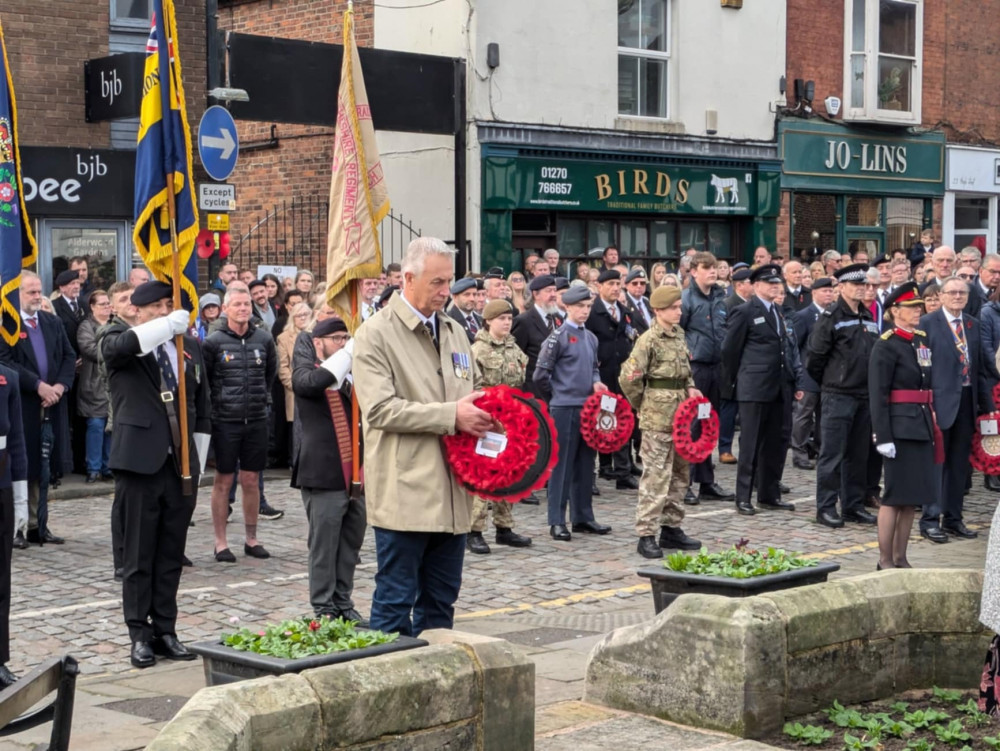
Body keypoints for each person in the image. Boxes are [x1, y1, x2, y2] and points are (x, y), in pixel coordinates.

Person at [353, 237, 491, 637]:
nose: (446, 291)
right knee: (395, 602)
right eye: (437, 283)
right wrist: (453, 415)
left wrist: (490, 413)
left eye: (448, 282)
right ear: (407, 279)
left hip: (453, 491)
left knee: (441, 603)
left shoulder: (454, 330)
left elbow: (471, 389)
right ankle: (389, 688)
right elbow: (379, 410)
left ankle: (437, 686)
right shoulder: (376, 334)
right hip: (406, 491)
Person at [101, 280, 211, 668]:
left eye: (171, 305)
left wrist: (195, 466)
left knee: (169, 554)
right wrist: (166, 327)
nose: (167, 311)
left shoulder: (190, 347)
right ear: (139, 309)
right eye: (160, 306)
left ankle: (166, 629)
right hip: (139, 461)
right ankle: (138, 633)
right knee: (138, 554)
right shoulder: (120, 337)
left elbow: (202, 407)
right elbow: (120, 349)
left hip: (179, 466)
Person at [291, 316, 367, 624]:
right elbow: (312, 384)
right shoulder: (310, 373)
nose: (342, 342)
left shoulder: (353, 375)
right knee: (324, 546)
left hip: (356, 474)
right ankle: (323, 606)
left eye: (346, 337)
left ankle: (343, 601)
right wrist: (348, 352)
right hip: (323, 473)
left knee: (350, 543)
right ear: (318, 342)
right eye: (336, 338)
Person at [620, 285, 702, 559]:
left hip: (681, 416)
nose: (679, 311)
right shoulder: (648, 340)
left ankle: (671, 526)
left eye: (679, 306)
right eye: (673, 308)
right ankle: (646, 533)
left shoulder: (678, 335)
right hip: (657, 417)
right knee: (656, 476)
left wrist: (690, 387)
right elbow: (629, 378)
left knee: (680, 474)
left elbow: (684, 370)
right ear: (658, 311)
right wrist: (642, 404)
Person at [0, 271, 75, 547]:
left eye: (39, 291)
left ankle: (39, 524)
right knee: (24, 464)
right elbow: (5, 361)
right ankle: (19, 526)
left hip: (52, 404)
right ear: (16, 293)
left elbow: (69, 356)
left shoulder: (51, 322)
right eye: (30, 291)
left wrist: (59, 387)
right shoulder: (7, 326)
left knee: (45, 467)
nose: (37, 296)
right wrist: (38, 385)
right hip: (24, 405)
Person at [203, 287, 278, 562]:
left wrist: (261, 401)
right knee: (223, 480)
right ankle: (220, 542)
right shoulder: (213, 342)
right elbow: (208, 382)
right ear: (225, 308)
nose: (243, 308)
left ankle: (251, 538)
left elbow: (269, 375)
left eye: (246, 304)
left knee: (251, 480)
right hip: (225, 421)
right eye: (237, 304)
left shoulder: (264, 338)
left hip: (256, 419)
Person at [721, 264, 801, 516]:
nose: (775, 287)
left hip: (779, 386)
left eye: (777, 283)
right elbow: (729, 350)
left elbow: (785, 349)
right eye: (769, 283)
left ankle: (769, 493)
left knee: (777, 443)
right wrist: (737, 381)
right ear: (755, 286)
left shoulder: (779, 312)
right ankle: (743, 496)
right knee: (751, 444)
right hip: (754, 387)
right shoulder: (744, 311)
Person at [919, 275, 993, 543]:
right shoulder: (927, 324)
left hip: (967, 401)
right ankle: (930, 520)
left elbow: (981, 369)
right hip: (939, 403)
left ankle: (953, 518)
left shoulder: (972, 324)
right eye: (952, 293)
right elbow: (922, 370)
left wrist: (989, 407)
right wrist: (926, 404)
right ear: (941, 296)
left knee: (959, 466)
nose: (958, 297)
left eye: (962, 293)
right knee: (937, 463)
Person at [534, 285, 612, 541]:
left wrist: (596, 381)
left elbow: (593, 368)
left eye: (588, 307)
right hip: (564, 408)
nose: (585, 311)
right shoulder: (558, 336)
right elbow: (541, 375)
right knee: (562, 466)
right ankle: (557, 520)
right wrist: (557, 396)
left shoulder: (590, 338)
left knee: (585, 464)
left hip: (587, 408)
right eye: (580, 307)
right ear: (567, 307)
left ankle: (583, 516)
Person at [806, 264, 880, 528]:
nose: (862, 288)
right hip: (837, 394)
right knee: (832, 454)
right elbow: (815, 357)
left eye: (864, 285)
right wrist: (831, 381)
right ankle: (825, 507)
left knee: (858, 455)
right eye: (856, 285)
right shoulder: (831, 315)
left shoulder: (867, 315)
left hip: (863, 394)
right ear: (842, 287)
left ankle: (853, 505)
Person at [868, 282, 934, 570]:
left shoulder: (919, 340)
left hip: (919, 423)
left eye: (918, 306)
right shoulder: (886, 344)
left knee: (911, 497)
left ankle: (901, 557)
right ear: (895, 311)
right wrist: (883, 435)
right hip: (897, 427)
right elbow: (878, 393)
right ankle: (884, 559)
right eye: (911, 307)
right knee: (894, 495)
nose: (918, 311)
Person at [466, 300, 532, 555]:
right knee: (484, 476)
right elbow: (473, 386)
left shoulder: (513, 348)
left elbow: (521, 382)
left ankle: (504, 527)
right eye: (501, 318)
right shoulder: (477, 350)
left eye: (509, 318)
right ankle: (474, 530)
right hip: (488, 419)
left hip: (513, 418)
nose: (507, 322)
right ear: (488, 321)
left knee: (510, 473)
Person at [680, 252, 733, 504]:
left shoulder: (720, 297)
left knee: (708, 424)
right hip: (696, 367)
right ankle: (685, 482)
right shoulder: (687, 299)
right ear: (693, 271)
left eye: (714, 267)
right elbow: (678, 333)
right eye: (706, 268)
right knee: (691, 426)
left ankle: (706, 481)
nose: (712, 271)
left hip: (716, 365)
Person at [587, 269, 639, 490]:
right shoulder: (592, 312)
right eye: (610, 284)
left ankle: (623, 471)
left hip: (623, 377)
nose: (615, 288)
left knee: (624, 422)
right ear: (599, 286)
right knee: (601, 424)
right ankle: (603, 467)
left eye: (618, 284)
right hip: (602, 377)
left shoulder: (625, 311)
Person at [103, 281, 137, 581]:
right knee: (124, 497)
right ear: (113, 306)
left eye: (133, 297)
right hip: (122, 422)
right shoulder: (112, 333)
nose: (130, 303)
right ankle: (122, 556)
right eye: (123, 299)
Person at [790, 277, 836, 469]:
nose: (828, 294)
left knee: (824, 416)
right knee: (804, 415)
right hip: (808, 374)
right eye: (824, 291)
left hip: (827, 374)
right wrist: (799, 372)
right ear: (814, 293)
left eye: (830, 291)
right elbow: (796, 345)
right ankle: (799, 452)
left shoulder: (834, 313)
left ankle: (820, 449)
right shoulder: (803, 315)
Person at [0, 363, 27, 688]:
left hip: (2, 486)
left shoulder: (8, 378)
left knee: (1, 582)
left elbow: (17, 438)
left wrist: (20, 494)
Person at [76, 289, 113, 483]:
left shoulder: (116, 323)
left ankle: (108, 466)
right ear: (92, 307)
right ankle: (93, 467)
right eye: (102, 304)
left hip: (114, 383)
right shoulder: (86, 326)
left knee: (111, 426)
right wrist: (114, 349)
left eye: (108, 303)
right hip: (93, 384)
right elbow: (89, 349)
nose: (107, 307)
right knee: (96, 425)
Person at [718, 267, 753, 465]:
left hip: (747, 364)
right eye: (750, 282)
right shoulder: (729, 304)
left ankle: (744, 446)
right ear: (739, 285)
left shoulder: (752, 304)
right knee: (729, 407)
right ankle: (724, 448)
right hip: (730, 364)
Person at [512, 275, 560, 400]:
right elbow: (517, 356)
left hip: (557, 389)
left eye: (555, 290)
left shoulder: (558, 319)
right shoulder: (524, 321)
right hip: (534, 391)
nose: (553, 294)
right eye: (548, 291)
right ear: (536, 294)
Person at [52, 268, 88, 351]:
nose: (76, 286)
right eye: (72, 283)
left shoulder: (85, 304)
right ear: (62, 288)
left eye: (78, 283)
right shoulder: (55, 306)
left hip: (85, 355)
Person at [447, 278, 483, 343]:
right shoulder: (448, 320)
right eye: (467, 295)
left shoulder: (481, 320)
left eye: (474, 294)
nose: (472, 299)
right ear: (455, 297)